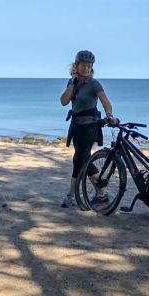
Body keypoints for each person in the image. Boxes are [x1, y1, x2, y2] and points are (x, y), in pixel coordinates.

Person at [59, 49, 116, 208]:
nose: (86, 69)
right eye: (83, 65)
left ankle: (70, 195)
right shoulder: (72, 83)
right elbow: (64, 101)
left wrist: (109, 115)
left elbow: (106, 102)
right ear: (76, 66)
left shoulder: (94, 84)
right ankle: (101, 194)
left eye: (89, 66)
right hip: (76, 126)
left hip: (90, 126)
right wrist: (73, 84)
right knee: (83, 159)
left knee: (79, 159)